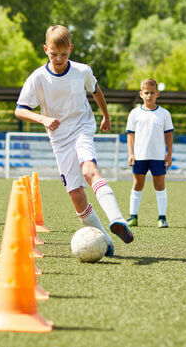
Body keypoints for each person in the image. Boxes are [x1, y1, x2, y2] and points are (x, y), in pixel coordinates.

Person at [15, 25, 133, 256]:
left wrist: (105, 116)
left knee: (90, 170)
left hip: (82, 129)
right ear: (45, 49)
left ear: (71, 49)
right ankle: (106, 242)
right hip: (59, 139)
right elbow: (20, 110)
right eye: (53, 54)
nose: (59, 59)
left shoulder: (82, 71)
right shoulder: (37, 78)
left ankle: (118, 219)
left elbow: (96, 90)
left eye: (64, 54)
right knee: (76, 195)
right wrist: (43, 118)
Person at [126, 79, 174, 228]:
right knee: (137, 185)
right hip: (140, 156)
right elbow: (131, 135)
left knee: (160, 186)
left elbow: (169, 135)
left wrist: (169, 154)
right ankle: (133, 217)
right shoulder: (135, 113)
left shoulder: (164, 114)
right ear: (141, 94)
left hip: (158, 156)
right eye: (146, 93)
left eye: (152, 92)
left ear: (157, 94)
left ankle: (162, 218)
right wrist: (131, 153)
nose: (149, 95)